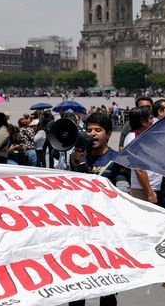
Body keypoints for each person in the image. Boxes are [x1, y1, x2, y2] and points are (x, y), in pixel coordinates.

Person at [69, 112, 119, 306]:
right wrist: (77, 163)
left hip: (107, 231)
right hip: (80, 229)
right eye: (88, 130)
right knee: (77, 282)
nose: (92, 134)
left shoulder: (117, 159)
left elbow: (122, 191)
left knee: (107, 286)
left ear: (108, 134)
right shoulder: (79, 158)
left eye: (98, 130)